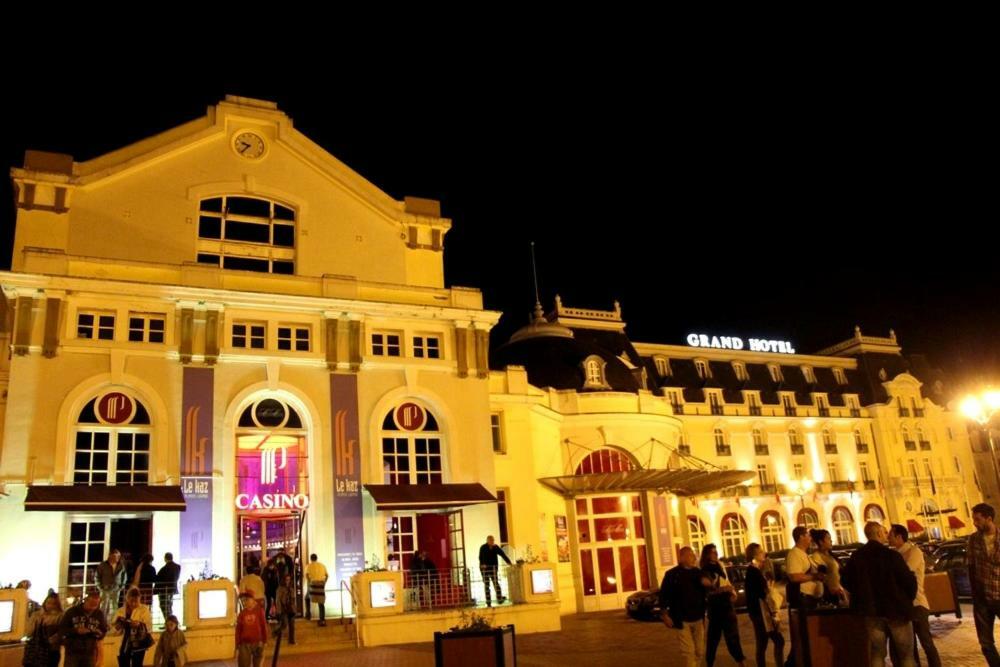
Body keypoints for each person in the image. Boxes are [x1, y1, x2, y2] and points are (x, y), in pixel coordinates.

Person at [841, 521, 917, 667]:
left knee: (877, 653)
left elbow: (846, 580)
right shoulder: (891, 555)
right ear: (878, 534)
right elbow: (908, 581)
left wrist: (861, 594)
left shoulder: (857, 557)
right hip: (896, 610)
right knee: (906, 655)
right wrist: (907, 599)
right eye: (884, 532)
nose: (886, 535)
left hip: (871, 611)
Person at [888, 523, 941, 667]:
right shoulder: (896, 554)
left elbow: (905, 573)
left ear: (899, 537)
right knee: (909, 646)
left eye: (890, 535)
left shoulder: (913, 552)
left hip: (917, 603)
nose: (888, 538)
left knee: (926, 641)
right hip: (904, 605)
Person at [659, 546, 710, 667]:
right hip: (682, 619)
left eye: (693, 554)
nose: (693, 557)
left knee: (699, 651)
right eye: (690, 555)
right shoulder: (672, 575)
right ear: (681, 558)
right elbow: (663, 595)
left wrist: (707, 582)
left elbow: (708, 583)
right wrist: (665, 615)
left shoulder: (698, 572)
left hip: (698, 618)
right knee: (689, 652)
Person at [700, 544, 747, 667]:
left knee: (733, 636)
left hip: (727, 605)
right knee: (713, 639)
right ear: (707, 554)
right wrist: (723, 589)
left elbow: (726, 582)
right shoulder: (705, 570)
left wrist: (732, 592)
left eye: (716, 552)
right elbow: (708, 591)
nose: (715, 554)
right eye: (712, 552)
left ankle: (740, 661)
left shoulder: (720, 566)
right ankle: (710, 662)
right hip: (716, 608)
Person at [968, 502, 1000, 666]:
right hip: (982, 599)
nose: (975, 523)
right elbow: (971, 567)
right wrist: (975, 595)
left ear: (989, 519)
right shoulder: (973, 540)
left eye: (978, 519)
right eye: (974, 519)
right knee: (986, 642)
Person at [744, 543, 785, 667]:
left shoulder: (756, 570)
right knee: (771, 641)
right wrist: (768, 590)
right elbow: (761, 593)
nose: (764, 553)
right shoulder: (753, 571)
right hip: (761, 613)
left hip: (760, 612)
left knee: (765, 642)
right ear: (754, 555)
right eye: (761, 552)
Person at [59, 589, 108, 667]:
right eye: (91, 604)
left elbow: (104, 630)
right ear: (86, 600)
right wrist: (76, 631)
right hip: (73, 651)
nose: (92, 608)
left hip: (89, 651)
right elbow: (62, 629)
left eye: (95, 605)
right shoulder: (72, 612)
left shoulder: (99, 614)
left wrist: (99, 634)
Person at [112, 587, 153, 667]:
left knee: (137, 663)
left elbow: (149, 627)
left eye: (136, 601)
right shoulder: (120, 611)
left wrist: (139, 624)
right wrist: (118, 626)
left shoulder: (144, 609)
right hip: (124, 641)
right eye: (131, 601)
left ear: (139, 599)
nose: (133, 604)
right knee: (123, 662)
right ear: (127, 599)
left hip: (139, 641)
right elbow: (113, 628)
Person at [22, 590, 62, 667]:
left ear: (57, 605)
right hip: (35, 649)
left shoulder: (60, 616)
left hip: (51, 650)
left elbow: (61, 632)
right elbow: (29, 631)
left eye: (54, 604)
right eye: (48, 603)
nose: (50, 606)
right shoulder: (36, 615)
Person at [809, 529, 847, 605]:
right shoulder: (816, 556)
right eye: (828, 538)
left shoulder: (831, 556)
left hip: (841, 592)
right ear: (821, 542)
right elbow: (820, 576)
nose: (831, 541)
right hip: (830, 595)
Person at [235, 592, 268, 667]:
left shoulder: (259, 611)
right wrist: (237, 644)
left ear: (253, 599)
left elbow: (263, 626)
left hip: (258, 643)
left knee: (258, 664)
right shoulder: (242, 614)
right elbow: (238, 629)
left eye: (247, 599)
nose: (245, 602)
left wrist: (265, 641)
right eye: (244, 600)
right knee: (244, 664)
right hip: (244, 644)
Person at [478, 535, 512, 607]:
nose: (492, 542)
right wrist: (483, 564)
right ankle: (488, 602)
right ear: (487, 540)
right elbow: (480, 557)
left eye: (493, 540)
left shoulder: (495, 547)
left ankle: (499, 599)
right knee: (487, 585)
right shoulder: (483, 547)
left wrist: (509, 563)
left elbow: (503, 555)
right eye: (490, 540)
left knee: (496, 583)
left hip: (493, 569)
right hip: (485, 570)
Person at [96, 549, 127, 621]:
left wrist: (121, 587)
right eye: (115, 556)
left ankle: (113, 621)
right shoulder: (103, 565)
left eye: (118, 556)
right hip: (105, 588)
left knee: (114, 607)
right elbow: (97, 576)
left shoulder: (121, 566)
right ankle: (102, 621)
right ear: (110, 556)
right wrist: (100, 587)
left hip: (116, 589)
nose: (117, 558)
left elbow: (124, 577)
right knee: (104, 606)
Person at [155, 553, 181, 621]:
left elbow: (158, 579)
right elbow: (177, 577)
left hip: (164, 590)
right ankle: (170, 622)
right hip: (173, 589)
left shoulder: (164, 569)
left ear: (165, 558)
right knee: (169, 606)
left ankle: (168, 622)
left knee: (164, 606)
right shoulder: (178, 567)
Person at [305, 553, 328, 625]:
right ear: (316, 558)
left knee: (307, 598)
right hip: (321, 584)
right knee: (321, 602)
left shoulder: (308, 566)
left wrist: (309, 583)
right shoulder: (322, 565)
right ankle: (322, 619)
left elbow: (307, 575)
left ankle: (308, 614)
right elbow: (327, 575)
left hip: (313, 584)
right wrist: (324, 583)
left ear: (311, 558)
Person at [275, 573, 296, 645]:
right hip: (284, 609)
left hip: (291, 609)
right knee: (284, 623)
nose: (288, 581)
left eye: (289, 580)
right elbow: (278, 600)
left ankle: (291, 640)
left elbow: (293, 599)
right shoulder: (280, 589)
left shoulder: (291, 588)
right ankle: (276, 631)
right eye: (286, 580)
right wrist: (278, 610)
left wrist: (294, 609)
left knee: (292, 625)